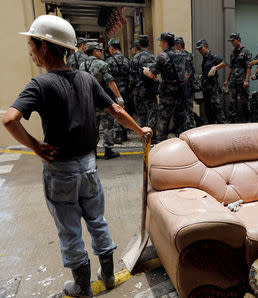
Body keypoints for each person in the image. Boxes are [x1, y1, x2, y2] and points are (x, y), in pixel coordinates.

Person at [3, 15, 152, 298]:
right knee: (97, 220)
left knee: (69, 228)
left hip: (60, 172)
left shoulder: (40, 84)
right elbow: (117, 111)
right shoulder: (86, 78)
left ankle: (82, 286)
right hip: (89, 167)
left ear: (44, 47)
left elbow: (10, 120)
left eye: (31, 45)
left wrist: (35, 145)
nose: (30, 51)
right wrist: (140, 130)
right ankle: (107, 276)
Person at [80, 42, 123, 159]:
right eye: (99, 50)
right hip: (102, 99)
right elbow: (110, 82)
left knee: (93, 126)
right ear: (94, 51)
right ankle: (108, 151)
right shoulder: (102, 64)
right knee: (107, 125)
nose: (100, 52)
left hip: (88, 100)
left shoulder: (82, 65)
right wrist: (119, 97)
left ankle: (93, 151)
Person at [143, 32, 189, 143]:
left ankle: (162, 147)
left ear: (165, 43)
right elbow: (186, 73)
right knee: (182, 122)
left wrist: (146, 71)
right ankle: (184, 146)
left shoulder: (162, 56)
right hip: (181, 93)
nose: (160, 45)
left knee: (164, 122)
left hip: (167, 94)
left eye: (161, 42)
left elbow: (152, 73)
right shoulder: (183, 54)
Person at [129, 35, 158, 142]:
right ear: (148, 44)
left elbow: (131, 77)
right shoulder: (150, 57)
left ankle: (143, 134)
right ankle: (151, 136)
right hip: (148, 90)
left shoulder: (133, 59)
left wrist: (132, 90)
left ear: (139, 45)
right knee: (152, 112)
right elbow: (150, 73)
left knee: (141, 114)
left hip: (137, 90)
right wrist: (155, 81)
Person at [106, 38, 132, 143]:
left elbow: (107, 77)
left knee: (116, 111)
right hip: (126, 88)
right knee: (125, 110)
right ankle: (125, 134)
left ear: (111, 48)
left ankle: (118, 136)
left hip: (115, 89)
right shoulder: (127, 59)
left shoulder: (109, 61)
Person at [196, 39, 227, 124]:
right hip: (205, 87)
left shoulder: (212, 56)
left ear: (206, 47)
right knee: (208, 109)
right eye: (198, 49)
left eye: (201, 48)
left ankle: (224, 126)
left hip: (212, 87)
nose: (200, 51)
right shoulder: (205, 58)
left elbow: (225, 62)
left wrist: (215, 68)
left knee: (216, 108)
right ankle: (212, 127)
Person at [223, 32, 252, 123]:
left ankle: (247, 120)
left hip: (242, 81)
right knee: (232, 101)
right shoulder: (233, 53)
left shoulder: (246, 52)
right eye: (231, 41)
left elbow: (249, 66)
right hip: (233, 81)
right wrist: (226, 80)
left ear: (238, 40)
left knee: (244, 101)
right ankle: (232, 120)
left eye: (233, 41)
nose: (232, 43)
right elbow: (230, 67)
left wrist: (246, 80)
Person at [174, 36, 198, 129]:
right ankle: (183, 126)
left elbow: (190, 70)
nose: (175, 48)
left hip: (186, 86)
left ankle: (190, 126)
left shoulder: (187, 55)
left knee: (188, 107)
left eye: (175, 46)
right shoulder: (183, 55)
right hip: (182, 86)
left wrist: (184, 80)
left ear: (179, 45)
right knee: (183, 107)